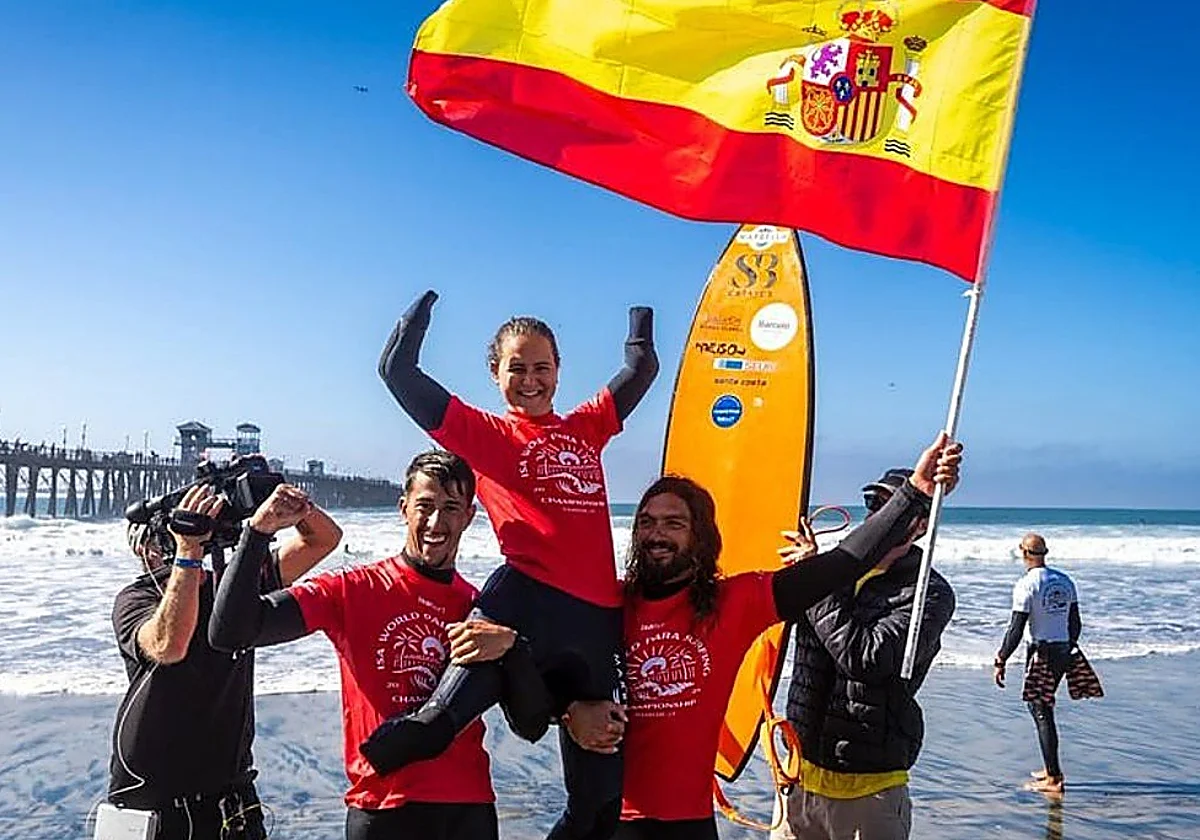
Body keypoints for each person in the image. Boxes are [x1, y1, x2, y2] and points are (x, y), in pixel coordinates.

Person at [563, 433, 963, 840]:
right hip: (604, 817)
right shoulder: (606, 604)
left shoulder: (734, 603)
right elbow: (537, 658)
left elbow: (845, 562)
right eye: (645, 522)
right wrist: (568, 709)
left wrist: (914, 492)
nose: (656, 534)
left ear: (700, 537)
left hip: (689, 822)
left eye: (673, 523)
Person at [372, 290, 659, 839]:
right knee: (433, 725)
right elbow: (397, 372)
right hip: (523, 600)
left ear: (558, 370)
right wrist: (419, 313)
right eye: (517, 368)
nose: (531, 380)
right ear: (495, 374)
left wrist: (640, 317)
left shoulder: (588, 426)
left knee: (600, 808)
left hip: (597, 620)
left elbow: (641, 366)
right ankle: (404, 758)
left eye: (542, 368)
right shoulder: (485, 433)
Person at [208, 450, 553, 840]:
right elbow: (230, 632)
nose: (437, 521)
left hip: (467, 808)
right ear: (403, 509)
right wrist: (257, 533)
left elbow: (531, 725)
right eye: (425, 506)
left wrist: (514, 649)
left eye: (451, 507)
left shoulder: (483, 609)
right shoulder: (352, 589)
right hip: (381, 807)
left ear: (469, 516)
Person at [108, 480, 341, 839]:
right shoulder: (134, 598)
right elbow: (169, 646)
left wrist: (282, 501)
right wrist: (189, 550)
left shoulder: (233, 589)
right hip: (154, 799)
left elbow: (322, 540)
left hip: (229, 795)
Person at [769, 465, 959, 840]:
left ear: (920, 525)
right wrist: (807, 575)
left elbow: (865, 658)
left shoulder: (928, 593)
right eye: (874, 505)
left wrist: (818, 580)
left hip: (869, 787)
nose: (879, 516)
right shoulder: (830, 573)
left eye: (892, 508)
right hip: (799, 776)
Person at [993, 533, 1080, 796]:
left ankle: (1054, 779)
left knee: (1041, 710)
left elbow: (1016, 628)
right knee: (1044, 707)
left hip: (1041, 651)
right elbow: (1075, 623)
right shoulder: (1064, 581)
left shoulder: (1026, 585)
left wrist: (1001, 659)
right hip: (1062, 648)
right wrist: (1067, 648)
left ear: (1024, 553)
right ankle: (1051, 768)